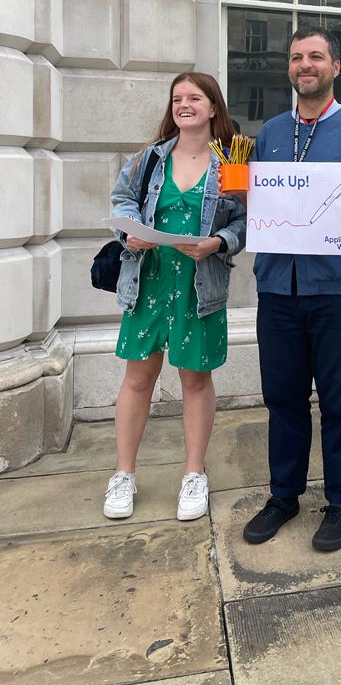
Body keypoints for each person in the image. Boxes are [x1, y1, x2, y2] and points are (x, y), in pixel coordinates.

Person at [243, 27, 341, 551]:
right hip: (278, 288)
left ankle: (340, 502)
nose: (304, 65)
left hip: (339, 289)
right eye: (296, 58)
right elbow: (261, 204)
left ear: (334, 68)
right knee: (282, 398)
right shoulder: (271, 132)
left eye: (315, 57)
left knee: (337, 401)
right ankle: (284, 496)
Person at [105, 73, 246, 521]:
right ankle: (124, 474)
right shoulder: (149, 158)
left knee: (195, 380)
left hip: (200, 285)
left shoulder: (232, 161)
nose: (185, 104)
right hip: (150, 281)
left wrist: (218, 242)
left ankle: (193, 474)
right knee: (138, 379)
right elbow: (121, 200)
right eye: (177, 98)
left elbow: (246, 220)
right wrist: (130, 230)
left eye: (195, 98)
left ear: (212, 108)